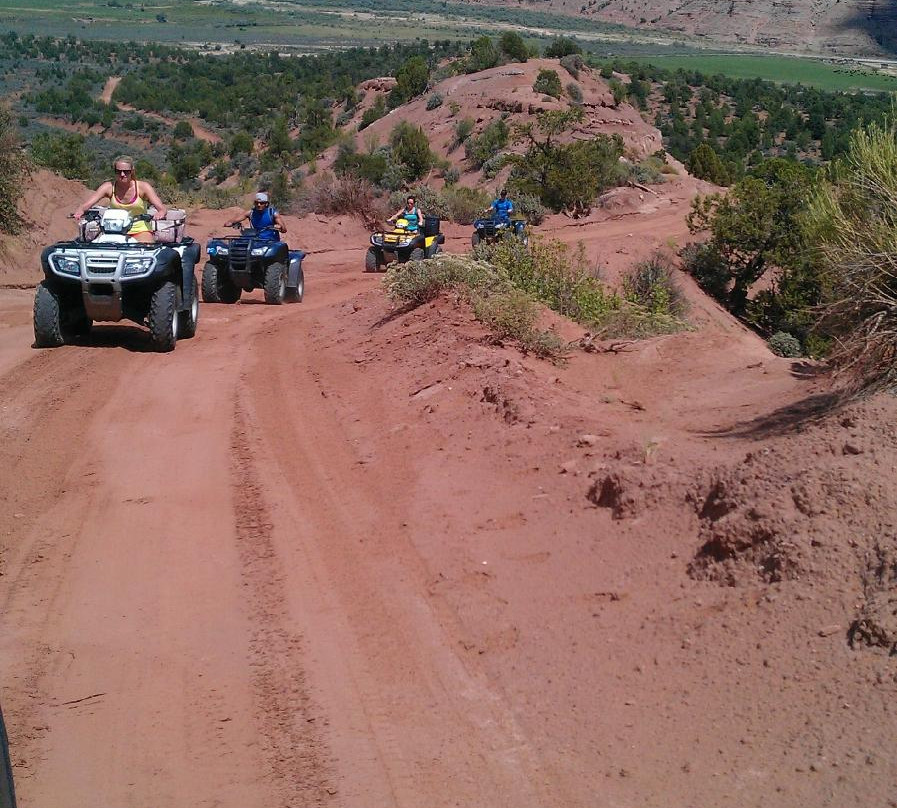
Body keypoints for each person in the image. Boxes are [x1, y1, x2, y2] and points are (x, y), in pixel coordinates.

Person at [72, 156, 167, 244]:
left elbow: (161, 208)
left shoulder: (143, 187)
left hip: (139, 230)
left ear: (132, 171)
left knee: (146, 251)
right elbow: (88, 203)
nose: (122, 174)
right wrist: (81, 210)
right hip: (114, 231)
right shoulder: (108, 187)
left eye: (126, 171)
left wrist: (160, 213)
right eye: (118, 171)